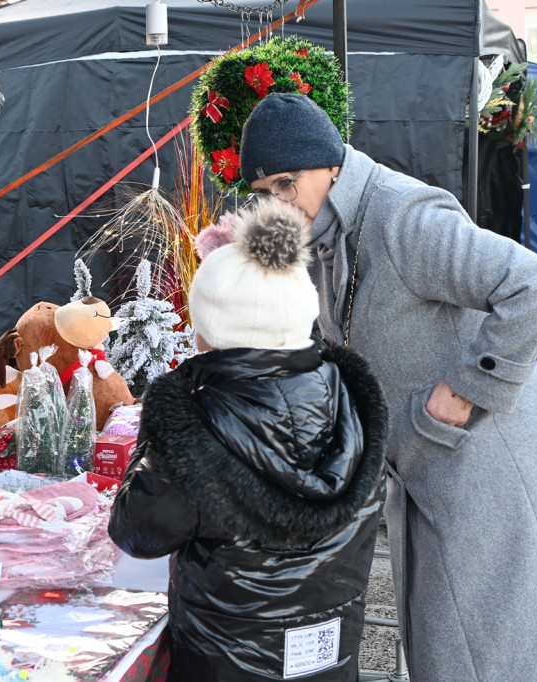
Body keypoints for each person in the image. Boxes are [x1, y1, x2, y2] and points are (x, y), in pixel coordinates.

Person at [238, 93, 537, 681]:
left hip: (489, 464)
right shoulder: (329, 228)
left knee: (491, 657)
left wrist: (462, 392)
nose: (278, 203)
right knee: (445, 652)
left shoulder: (402, 215)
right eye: (264, 192)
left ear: (329, 164)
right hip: (432, 468)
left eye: (286, 184)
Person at [108, 198, 388, 681]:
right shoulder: (356, 403)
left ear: (209, 328)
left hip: (224, 668)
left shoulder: (194, 423)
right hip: (329, 661)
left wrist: (159, 427)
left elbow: (136, 532)